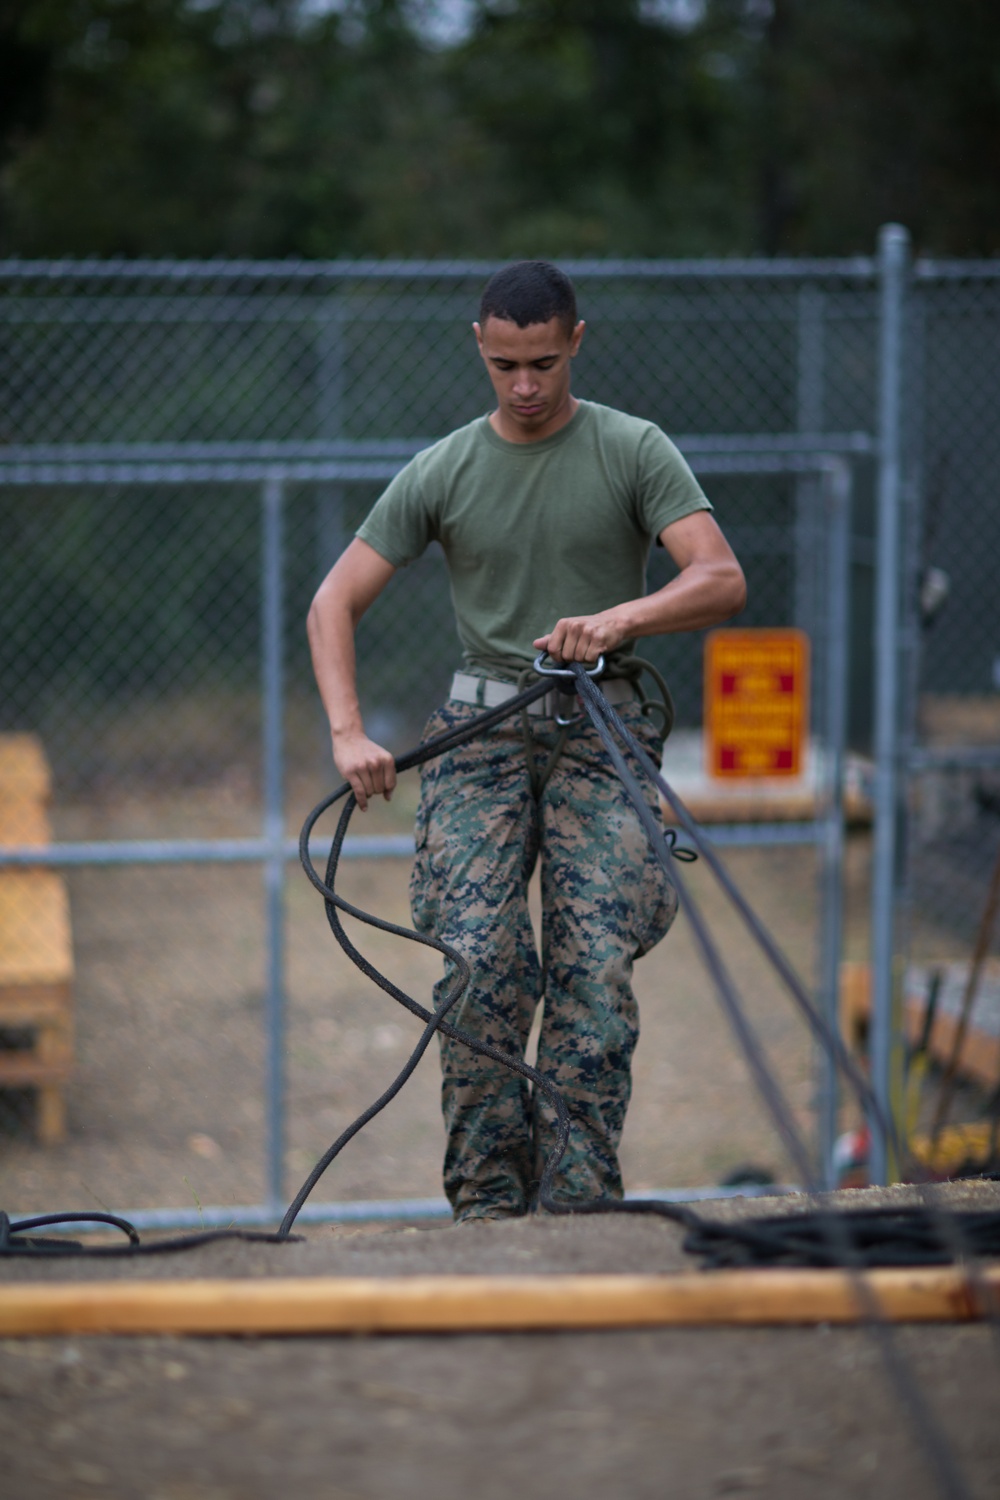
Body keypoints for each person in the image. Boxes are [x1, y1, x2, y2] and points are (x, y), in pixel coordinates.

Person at [307, 260, 746, 1222]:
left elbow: (718, 577)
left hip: (600, 723)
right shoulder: (446, 467)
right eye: (505, 364)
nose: (526, 386)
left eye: (543, 361)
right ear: (480, 347)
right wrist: (349, 733)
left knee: (594, 975)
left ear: (576, 342)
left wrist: (622, 619)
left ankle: (579, 1209)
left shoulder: (634, 450)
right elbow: (333, 600)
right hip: (482, 730)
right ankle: (487, 1209)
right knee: (479, 964)